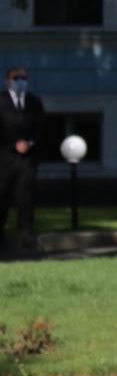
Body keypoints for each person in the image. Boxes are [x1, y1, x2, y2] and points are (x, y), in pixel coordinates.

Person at [1, 65, 41, 254]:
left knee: (26, 200)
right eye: (16, 78)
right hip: (4, 159)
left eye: (23, 78)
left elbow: (41, 128)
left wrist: (30, 143)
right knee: (2, 198)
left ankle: (26, 238)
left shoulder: (34, 102)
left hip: (26, 161)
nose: (20, 81)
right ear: (7, 81)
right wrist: (13, 144)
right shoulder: (1, 101)